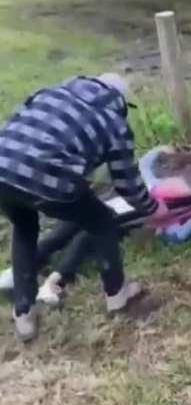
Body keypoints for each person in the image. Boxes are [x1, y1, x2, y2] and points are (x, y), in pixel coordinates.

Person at [0, 72, 167, 342]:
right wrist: (153, 208)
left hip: (3, 170)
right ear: (121, 102)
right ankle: (117, 295)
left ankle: (23, 312)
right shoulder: (115, 123)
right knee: (101, 221)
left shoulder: (49, 94)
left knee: (24, 227)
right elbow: (127, 184)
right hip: (48, 177)